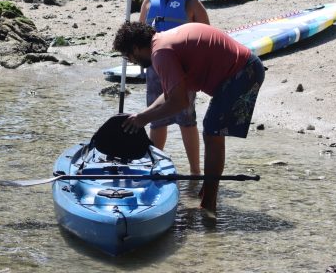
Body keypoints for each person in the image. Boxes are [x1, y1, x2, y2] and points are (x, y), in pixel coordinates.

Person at [113, 21, 265, 213]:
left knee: (212, 132)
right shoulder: (163, 42)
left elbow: (180, 102)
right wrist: (144, 114)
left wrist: (144, 120)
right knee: (212, 129)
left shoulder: (160, 53)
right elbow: (171, 94)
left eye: (129, 57)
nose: (132, 62)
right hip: (244, 68)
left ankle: (208, 204)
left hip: (244, 72)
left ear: (135, 48)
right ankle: (206, 193)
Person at [138, 0, 209, 176]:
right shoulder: (150, 1)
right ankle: (154, 167)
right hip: (156, 67)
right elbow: (140, 34)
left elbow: (206, 34)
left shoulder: (191, 2)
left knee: (186, 119)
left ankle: (195, 171)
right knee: (156, 118)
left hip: (183, 68)